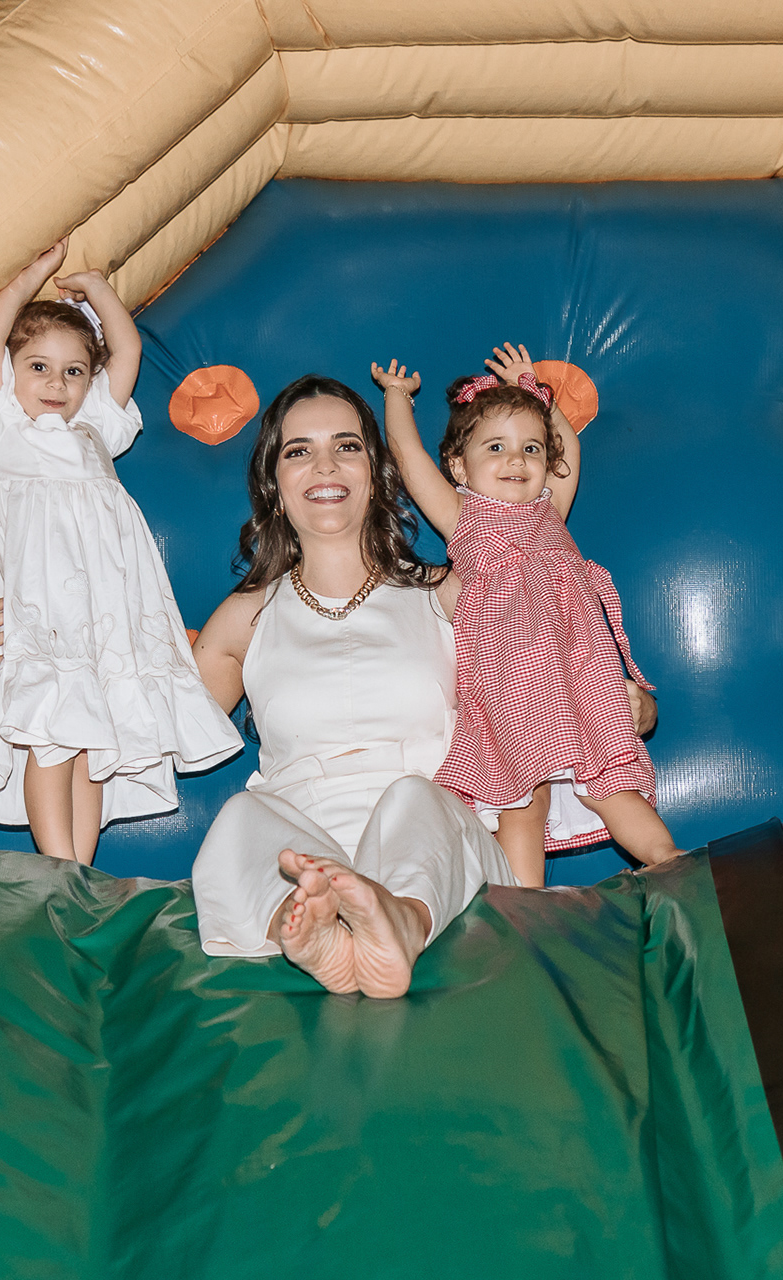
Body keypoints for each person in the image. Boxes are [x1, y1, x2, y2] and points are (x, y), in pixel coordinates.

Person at [188, 374, 658, 998]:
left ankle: (397, 922)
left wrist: (622, 704)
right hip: (300, 847)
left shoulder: (456, 592)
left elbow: (556, 661)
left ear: (378, 472)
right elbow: (156, 730)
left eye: (347, 446)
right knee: (239, 819)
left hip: (438, 844)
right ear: (273, 483)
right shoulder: (243, 618)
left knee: (414, 799)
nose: (325, 466)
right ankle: (310, 931)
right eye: (299, 450)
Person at [0, 241, 241, 862]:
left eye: (74, 371)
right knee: (50, 731)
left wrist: (97, 289)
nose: (56, 383)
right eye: (38, 367)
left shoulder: (97, 429)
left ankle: (78, 869)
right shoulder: (2, 426)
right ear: (10, 373)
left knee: (92, 736)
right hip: (43, 604)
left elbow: (127, 349)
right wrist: (34, 274)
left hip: (106, 605)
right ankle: (57, 863)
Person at [371, 344, 678, 888]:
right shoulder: (462, 515)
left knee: (611, 782)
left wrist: (537, 390)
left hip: (579, 671)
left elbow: (570, 449)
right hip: (508, 680)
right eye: (496, 447)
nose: (516, 460)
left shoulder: (549, 511)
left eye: (531, 449)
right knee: (521, 798)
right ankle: (525, 910)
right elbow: (408, 455)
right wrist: (397, 397)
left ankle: (673, 866)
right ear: (459, 467)